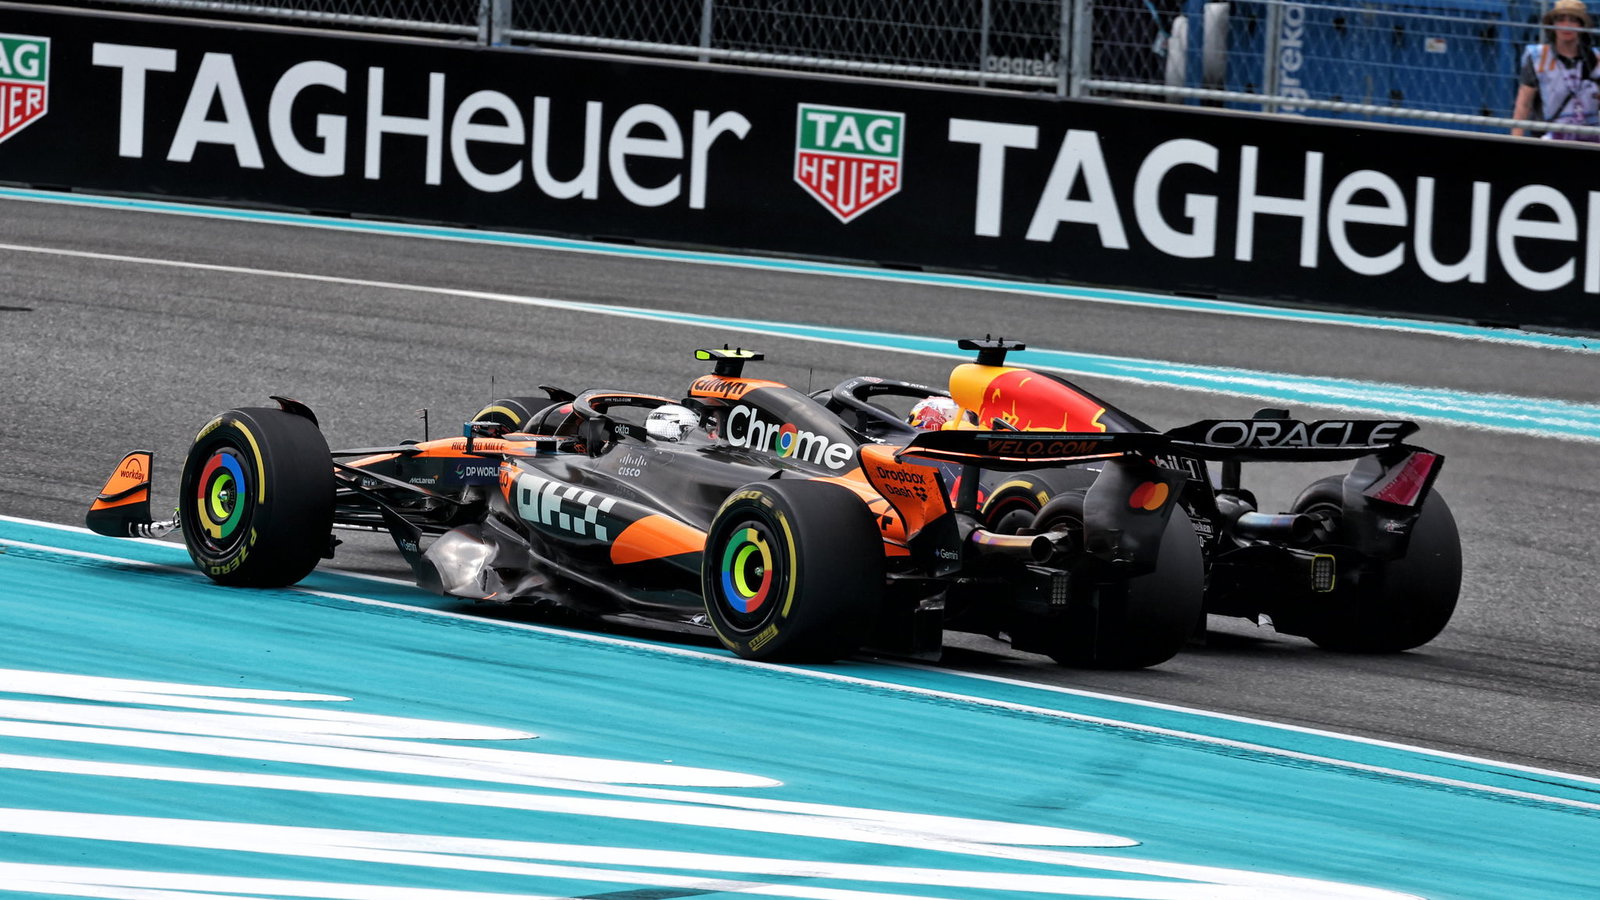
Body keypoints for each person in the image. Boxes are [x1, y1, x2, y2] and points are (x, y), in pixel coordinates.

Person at [1513, 0, 1600, 142]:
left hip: (1590, 138)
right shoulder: (1538, 56)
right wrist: (1516, 140)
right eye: (1560, 19)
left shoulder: (1596, 58)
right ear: (1553, 24)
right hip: (1550, 137)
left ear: (1582, 26)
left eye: (1573, 20)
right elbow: (1524, 103)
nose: (1567, 25)